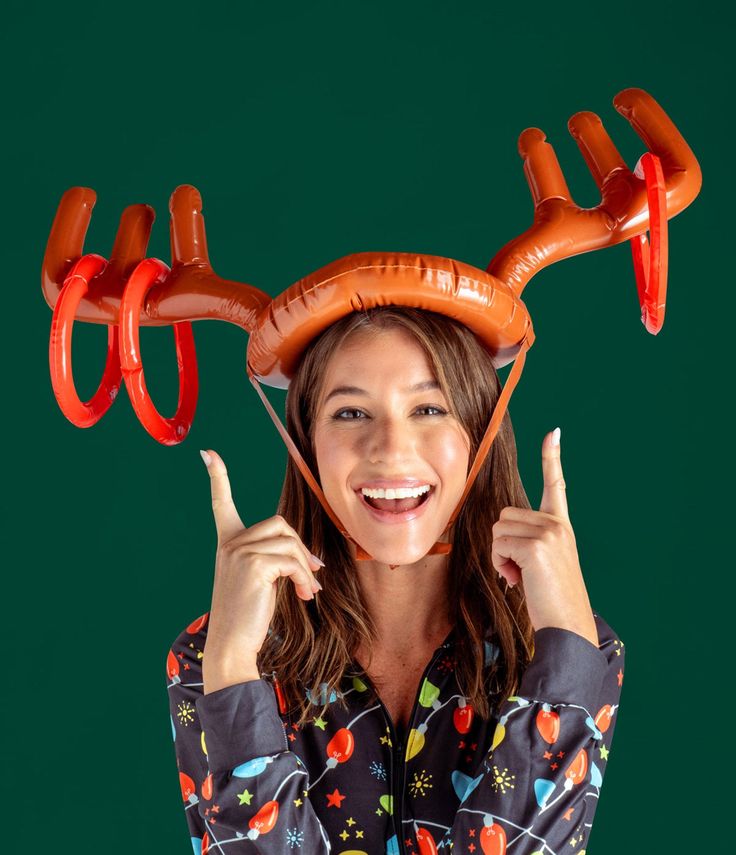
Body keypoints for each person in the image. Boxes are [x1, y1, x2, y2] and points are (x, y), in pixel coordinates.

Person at [165, 306, 624, 855]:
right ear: (305, 443)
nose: (390, 448)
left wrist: (567, 652)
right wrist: (234, 667)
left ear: (482, 433)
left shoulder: (582, 648)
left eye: (429, 408)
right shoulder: (208, 657)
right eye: (351, 413)